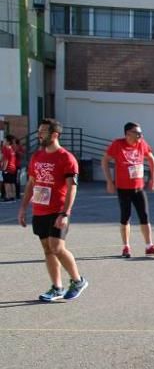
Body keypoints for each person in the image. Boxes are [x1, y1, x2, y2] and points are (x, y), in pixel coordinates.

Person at [17, 118, 88, 301]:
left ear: (55, 135)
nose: (39, 134)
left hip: (58, 210)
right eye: (39, 131)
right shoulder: (37, 156)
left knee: (57, 247)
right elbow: (32, 184)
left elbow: (72, 187)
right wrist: (23, 208)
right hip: (40, 210)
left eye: (43, 132)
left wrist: (65, 213)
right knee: (47, 250)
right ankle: (57, 287)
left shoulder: (66, 158)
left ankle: (78, 280)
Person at [102, 122, 154, 258]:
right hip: (123, 188)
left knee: (145, 216)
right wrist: (109, 181)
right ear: (128, 134)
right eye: (137, 133)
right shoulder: (118, 144)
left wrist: (153, 178)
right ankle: (126, 247)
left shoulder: (142, 143)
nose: (140, 135)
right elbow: (105, 160)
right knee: (125, 217)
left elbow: (151, 159)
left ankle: (149, 246)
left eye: (141, 133)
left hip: (138, 187)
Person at [1, 136, 16, 202]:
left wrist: (4, 169)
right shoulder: (11, 149)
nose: (3, 142)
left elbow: (6, 159)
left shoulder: (5, 148)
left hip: (8, 168)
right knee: (12, 183)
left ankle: (8, 197)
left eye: (4, 141)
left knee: (7, 183)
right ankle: (13, 197)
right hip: (13, 168)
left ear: (8, 142)